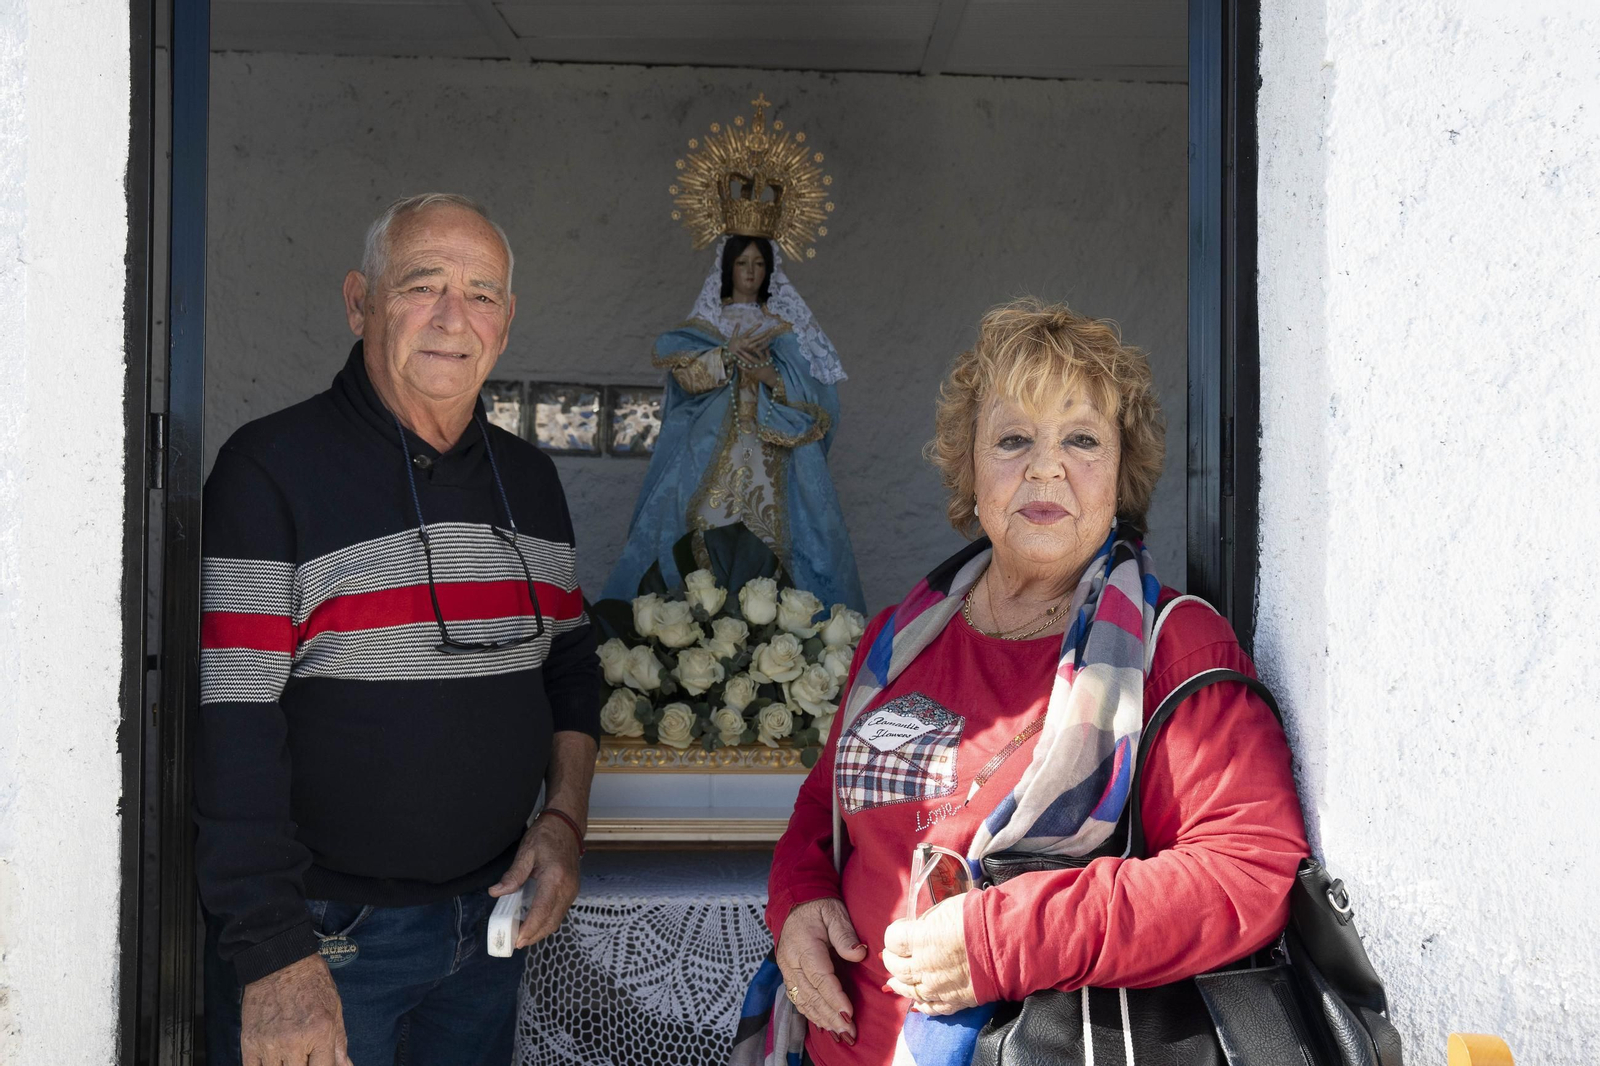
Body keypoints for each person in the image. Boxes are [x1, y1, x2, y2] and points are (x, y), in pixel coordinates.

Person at [755, 299, 1309, 1065]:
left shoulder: (1174, 646)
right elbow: (823, 813)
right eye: (1013, 439)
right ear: (970, 468)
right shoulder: (898, 640)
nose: (1045, 467)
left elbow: (1245, 873)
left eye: (1081, 439)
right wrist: (799, 902)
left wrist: (1000, 940)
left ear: (1121, 470)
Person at [196, 193, 600, 1066]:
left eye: (482, 293)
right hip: (329, 940)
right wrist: (275, 960)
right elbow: (233, 727)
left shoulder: (530, 482)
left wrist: (563, 821)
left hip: (490, 929)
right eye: (424, 285)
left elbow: (570, 665)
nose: (455, 317)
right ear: (359, 302)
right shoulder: (270, 471)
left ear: (507, 320)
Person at [602, 234, 865, 612]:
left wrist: (769, 376)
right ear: (728, 268)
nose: (750, 272)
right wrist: (725, 355)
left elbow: (816, 397)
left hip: (772, 449)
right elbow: (687, 380)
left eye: (758, 264)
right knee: (694, 524)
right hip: (708, 448)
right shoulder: (706, 323)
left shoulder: (783, 329)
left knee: (780, 535)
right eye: (743, 263)